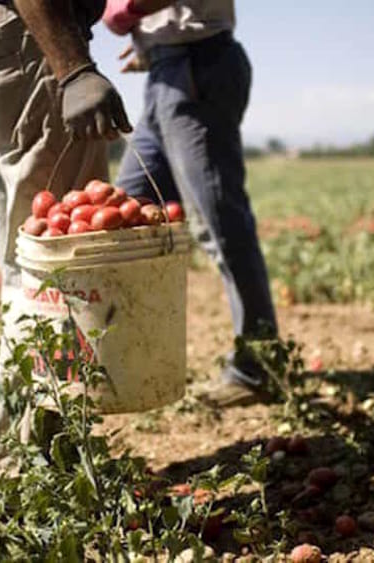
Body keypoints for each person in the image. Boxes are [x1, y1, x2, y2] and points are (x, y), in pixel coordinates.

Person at [0, 0, 132, 509]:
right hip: (25, 41)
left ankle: (40, 458)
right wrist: (74, 68)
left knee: (27, 275)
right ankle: (12, 473)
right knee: (56, 277)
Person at [103, 0, 278, 407]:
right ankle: (131, 359)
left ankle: (258, 367)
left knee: (220, 223)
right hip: (168, 69)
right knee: (127, 211)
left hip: (198, 65)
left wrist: (125, 11)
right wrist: (150, 39)